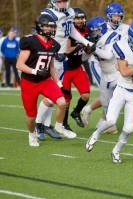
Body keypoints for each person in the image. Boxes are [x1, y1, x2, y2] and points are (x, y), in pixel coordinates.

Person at [85, 21, 133, 163]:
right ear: (130, 39)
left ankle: (116, 151)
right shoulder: (121, 46)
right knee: (110, 120)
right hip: (122, 89)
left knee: (128, 129)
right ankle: (95, 134)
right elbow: (124, 71)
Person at [82, 2, 133, 136]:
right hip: (101, 66)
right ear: (108, 16)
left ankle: (127, 122)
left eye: (119, 16)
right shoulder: (101, 28)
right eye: (115, 16)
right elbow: (89, 55)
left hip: (117, 64)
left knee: (122, 92)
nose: (117, 19)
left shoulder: (126, 28)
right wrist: (89, 48)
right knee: (107, 97)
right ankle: (105, 120)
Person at [35, 0, 94, 140]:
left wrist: (86, 42)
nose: (62, 4)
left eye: (64, 1)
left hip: (62, 60)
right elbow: (42, 35)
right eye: (60, 1)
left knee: (53, 95)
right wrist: (51, 52)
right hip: (51, 58)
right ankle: (39, 125)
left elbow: (70, 31)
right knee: (51, 95)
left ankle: (47, 125)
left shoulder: (70, 13)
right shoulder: (48, 14)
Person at [16, 14, 71, 147]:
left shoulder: (54, 44)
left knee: (62, 102)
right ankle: (31, 134)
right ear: (41, 27)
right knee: (31, 116)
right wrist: (34, 71)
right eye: (49, 26)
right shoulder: (30, 41)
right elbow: (20, 64)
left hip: (45, 81)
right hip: (29, 82)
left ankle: (59, 126)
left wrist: (58, 82)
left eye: (53, 27)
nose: (52, 29)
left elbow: (51, 65)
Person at [61, 7, 90, 130]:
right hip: (66, 69)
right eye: (77, 18)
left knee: (86, 95)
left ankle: (76, 112)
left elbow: (86, 51)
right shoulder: (68, 32)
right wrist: (79, 46)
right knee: (66, 100)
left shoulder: (86, 31)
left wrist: (89, 48)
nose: (80, 20)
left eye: (82, 18)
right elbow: (67, 51)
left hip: (77, 68)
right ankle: (64, 123)